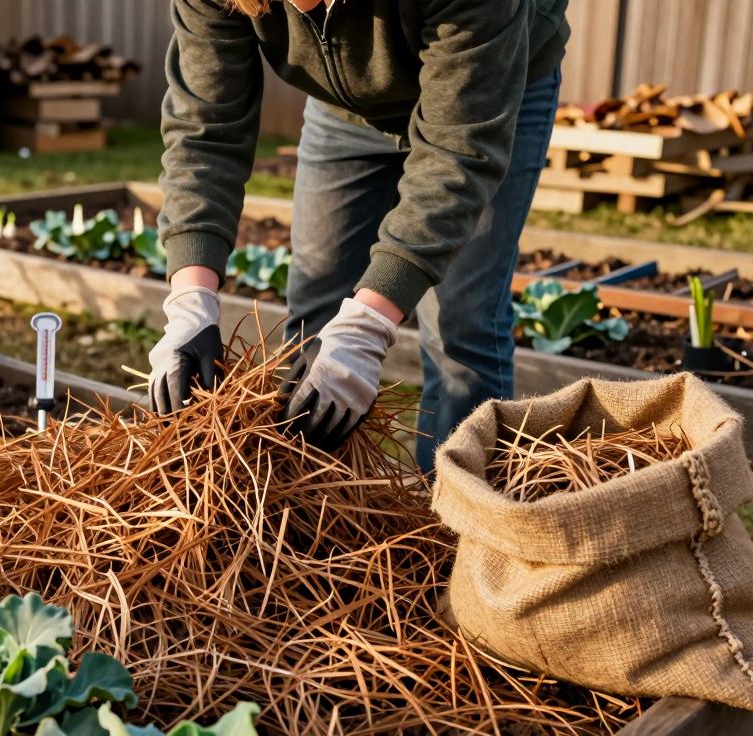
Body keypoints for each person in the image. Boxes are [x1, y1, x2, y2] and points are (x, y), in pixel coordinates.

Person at [147, 0, 568, 472]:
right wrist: (190, 301)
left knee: (461, 328)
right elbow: (205, 131)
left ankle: (458, 527)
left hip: (488, 90)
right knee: (313, 316)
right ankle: (302, 508)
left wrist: (370, 323)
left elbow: (457, 157)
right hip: (342, 109)